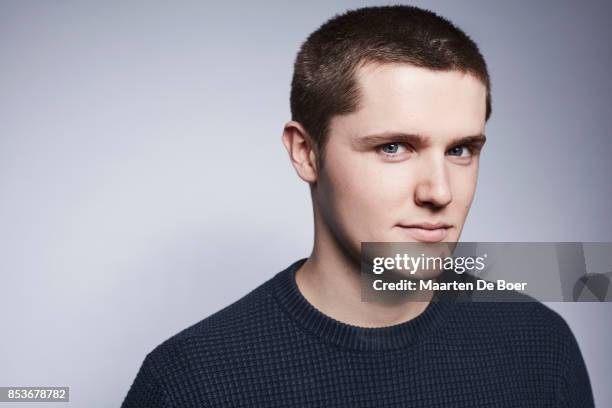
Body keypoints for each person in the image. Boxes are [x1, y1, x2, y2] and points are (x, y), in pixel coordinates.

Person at [121, 5, 594, 407]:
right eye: (393, 147)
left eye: (460, 150)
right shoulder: (189, 382)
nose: (439, 192)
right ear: (306, 152)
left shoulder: (539, 345)